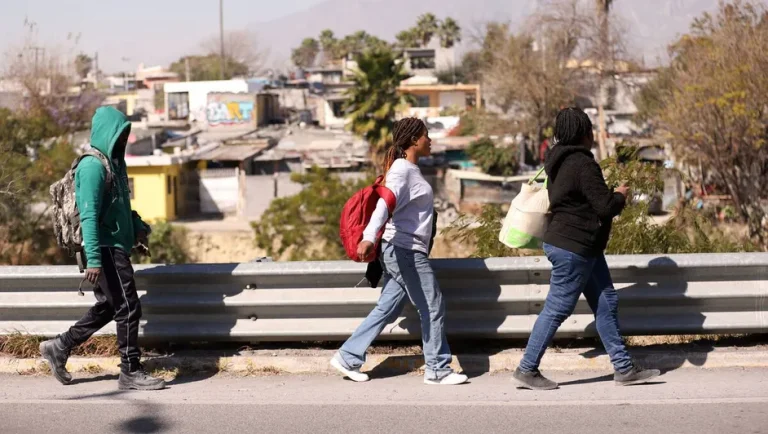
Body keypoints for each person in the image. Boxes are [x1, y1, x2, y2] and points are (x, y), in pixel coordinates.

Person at [513, 108, 660, 390]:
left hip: (580, 246)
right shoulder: (582, 163)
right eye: (590, 130)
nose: (592, 136)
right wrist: (620, 195)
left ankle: (624, 368)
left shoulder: (555, 160)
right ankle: (527, 368)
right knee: (557, 308)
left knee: (606, 301)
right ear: (584, 133)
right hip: (574, 247)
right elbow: (605, 207)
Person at [330, 117, 468, 386]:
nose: (430, 140)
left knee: (388, 308)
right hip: (403, 249)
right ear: (415, 140)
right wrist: (369, 237)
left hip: (403, 249)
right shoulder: (401, 170)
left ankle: (347, 356)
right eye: (427, 135)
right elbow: (384, 204)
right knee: (432, 304)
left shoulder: (410, 169)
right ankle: (438, 369)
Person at [39, 107, 165, 391]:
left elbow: (120, 208)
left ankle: (59, 347)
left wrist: (137, 226)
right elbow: (89, 217)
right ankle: (130, 370)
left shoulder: (115, 164)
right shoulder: (92, 167)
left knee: (111, 306)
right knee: (129, 306)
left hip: (114, 246)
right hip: (103, 249)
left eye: (125, 134)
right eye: (120, 134)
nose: (124, 139)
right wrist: (94, 260)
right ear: (109, 133)